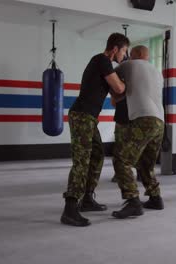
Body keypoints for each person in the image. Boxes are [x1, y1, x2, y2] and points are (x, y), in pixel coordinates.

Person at [60, 33, 129, 227]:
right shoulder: (102, 60)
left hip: (88, 117)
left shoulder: (103, 63)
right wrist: (126, 80)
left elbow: (116, 96)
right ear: (115, 49)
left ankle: (87, 198)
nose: (124, 56)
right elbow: (119, 88)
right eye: (124, 51)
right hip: (82, 115)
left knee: (97, 155)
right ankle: (70, 208)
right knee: (82, 160)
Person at [111, 45, 165, 219]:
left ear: (135, 55)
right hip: (160, 121)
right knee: (145, 163)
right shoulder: (157, 72)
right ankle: (155, 198)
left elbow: (114, 88)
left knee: (121, 159)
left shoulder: (128, 65)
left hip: (143, 118)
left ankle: (132, 201)